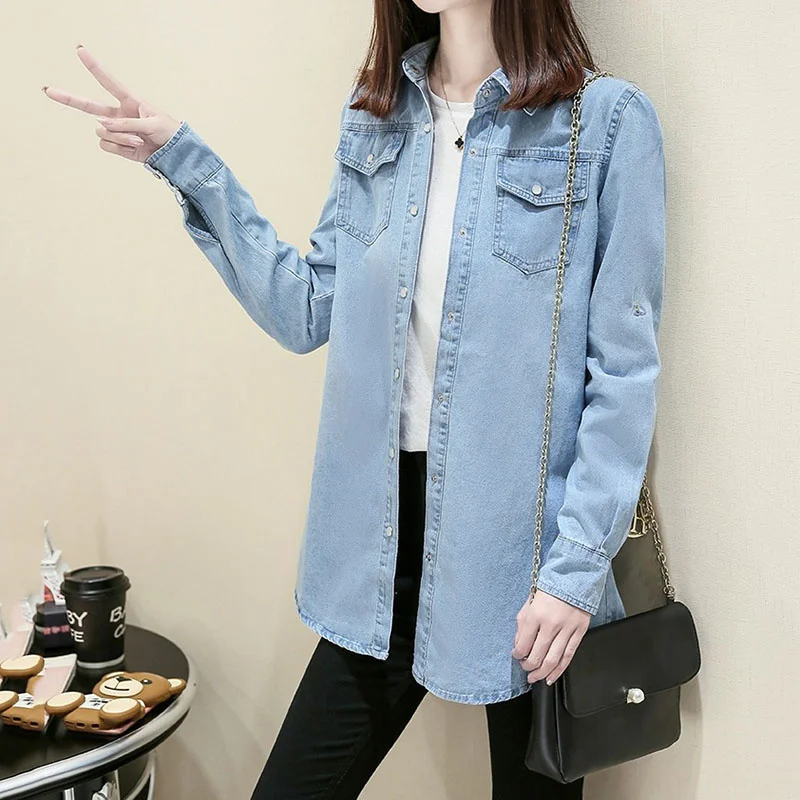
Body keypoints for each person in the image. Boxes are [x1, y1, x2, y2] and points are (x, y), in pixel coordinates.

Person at [43, 1, 666, 796]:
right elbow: (308, 309)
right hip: (381, 546)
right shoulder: (377, 118)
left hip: (525, 556)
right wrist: (185, 160)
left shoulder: (604, 123)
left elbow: (623, 375)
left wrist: (573, 573)